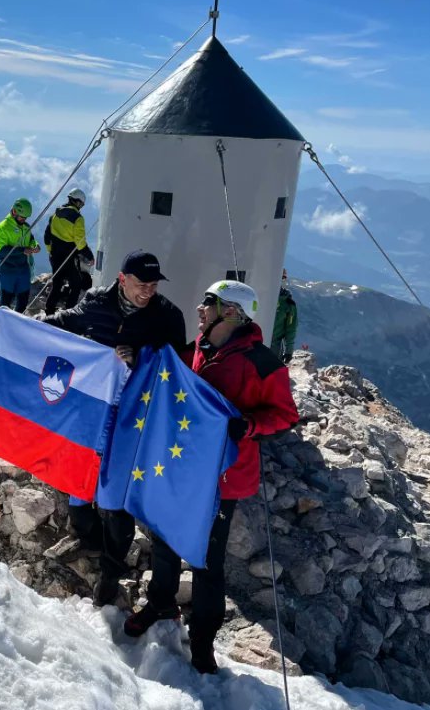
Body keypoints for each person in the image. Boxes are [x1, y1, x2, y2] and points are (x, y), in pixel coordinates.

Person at [122, 279, 298, 674]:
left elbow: (286, 414)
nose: (200, 309)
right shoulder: (199, 349)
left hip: (223, 478)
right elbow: (168, 374)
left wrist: (248, 426)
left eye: (209, 302)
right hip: (183, 468)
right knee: (165, 539)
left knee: (206, 560)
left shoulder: (263, 363)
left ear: (231, 312)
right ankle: (161, 602)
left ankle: (203, 639)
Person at [42, 250, 187, 606]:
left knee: (115, 496)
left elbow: (180, 368)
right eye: (142, 284)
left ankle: (110, 571)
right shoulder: (96, 303)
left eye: (154, 285)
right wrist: (23, 324)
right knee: (79, 480)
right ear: (122, 279)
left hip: (134, 420)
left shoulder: (168, 316)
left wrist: (140, 361)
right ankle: (87, 537)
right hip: (91, 414)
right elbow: (65, 322)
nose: (148, 291)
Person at [43, 187, 95, 314]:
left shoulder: (55, 214)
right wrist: (90, 256)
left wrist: (51, 251)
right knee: (76, 283)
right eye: (81, 204)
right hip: (68, 257)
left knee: (57, 284)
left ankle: (49, 312)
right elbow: (80, 242)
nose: (81, 206)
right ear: (77, 202)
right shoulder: (78, 218)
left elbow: (47, 236)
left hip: (55, 256)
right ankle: (69, 312)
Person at [0, 198, 40, 313]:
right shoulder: (3, 227)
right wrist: (22, 250)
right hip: (8, 270)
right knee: (5, 303)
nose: (23, 220)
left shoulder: (25, 226)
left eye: (25, 218)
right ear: (14, 212)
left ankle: (15, 324)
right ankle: (2, 326)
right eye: (21, 217)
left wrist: (35, 245)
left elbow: (31, 239)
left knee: (23, 301)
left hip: (23, 269)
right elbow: (3, 251)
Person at [271, 269, 299, 363]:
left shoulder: (288, 303)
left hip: (274, 348)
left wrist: (289, 351)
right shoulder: (258, 295)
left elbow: (290, 329)